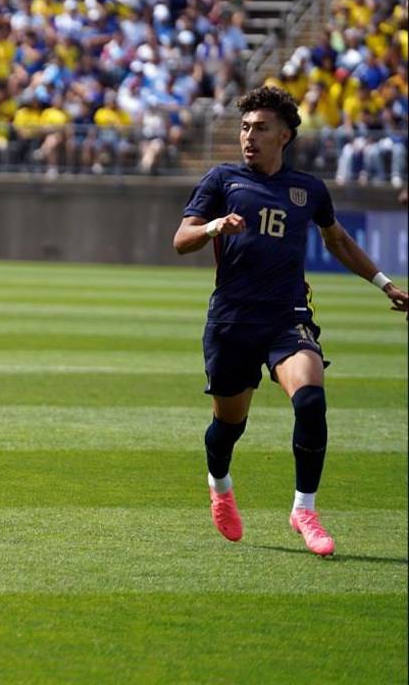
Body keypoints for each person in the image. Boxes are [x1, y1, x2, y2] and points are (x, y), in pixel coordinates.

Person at [173, 86, 408, 557]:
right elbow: (182, 239)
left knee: (311, 400)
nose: (249, 136)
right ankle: (220, 485)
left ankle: (304, 509)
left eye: (260, 128)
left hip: (287, 316)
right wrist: (215, 226)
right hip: (232, 319)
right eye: (245, 128)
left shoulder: (308, 190)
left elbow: (338, 241)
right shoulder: (222, 180)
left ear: (284, 135)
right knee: (228, 426)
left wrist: (384, 284)